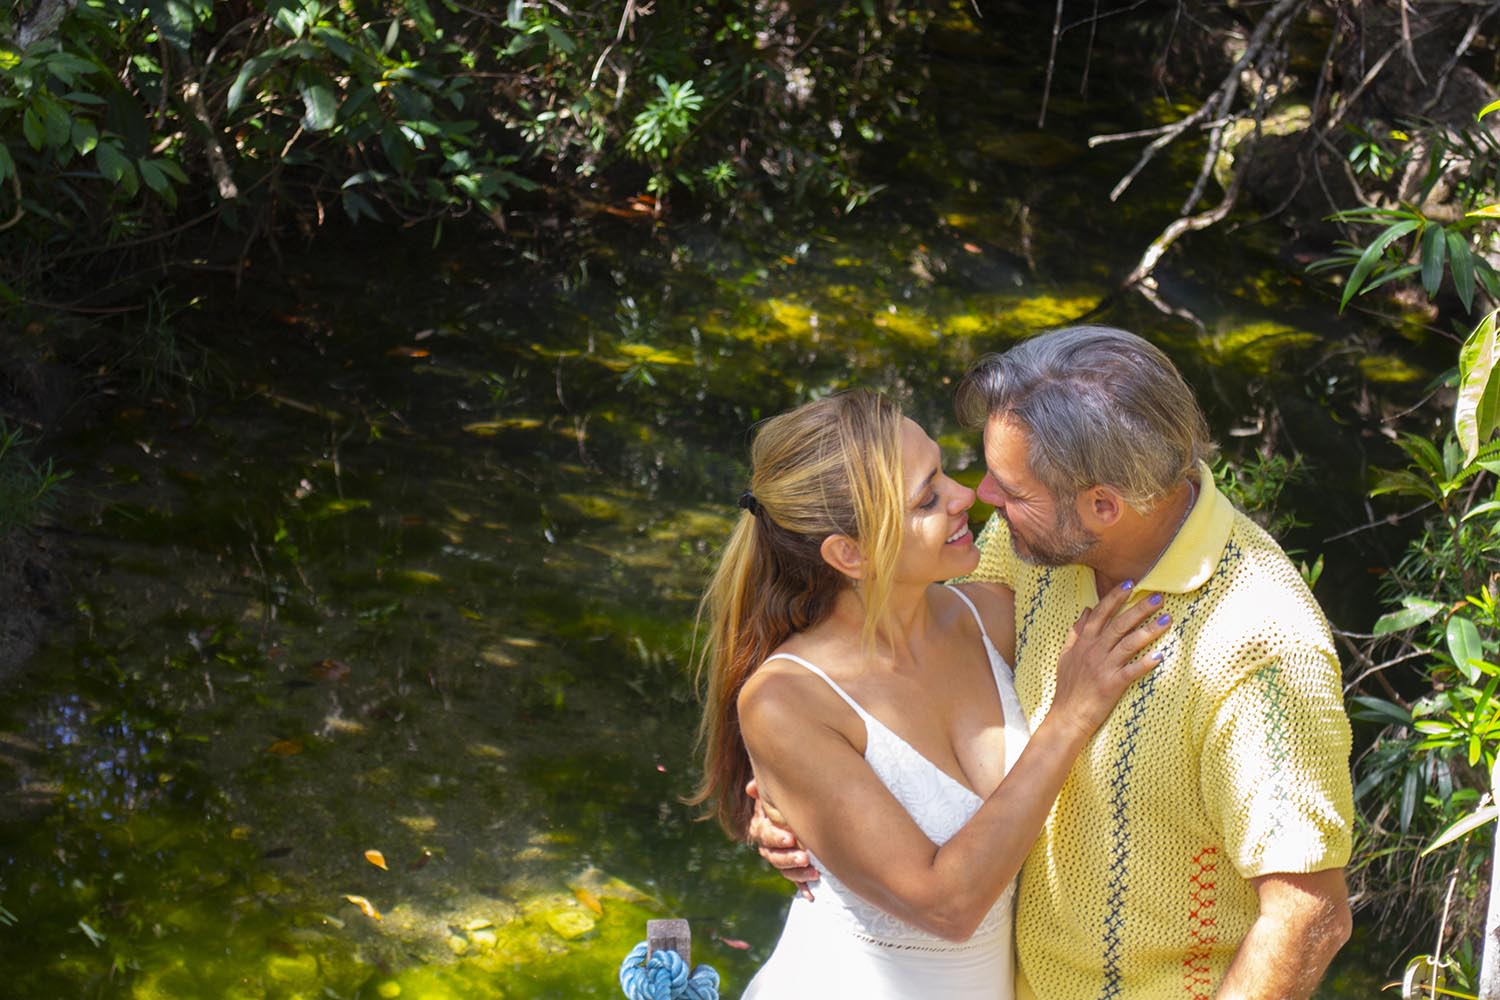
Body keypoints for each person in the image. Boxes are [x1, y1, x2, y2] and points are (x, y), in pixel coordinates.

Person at [750, 327, 1355, 1000]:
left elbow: (1309, 918)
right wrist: (813, 805)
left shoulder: (1259, 645)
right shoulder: (1032, 551)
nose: (981, 499)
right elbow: (902, 687)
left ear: (1101, 505)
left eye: (1011, 489)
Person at [691, 389, 1171, 999]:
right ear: (850, 553)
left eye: (943, 469)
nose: (966, 495)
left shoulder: (994, 616)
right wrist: (1069, 716)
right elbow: (948, 907)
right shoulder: (786, 702)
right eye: (927, 497)